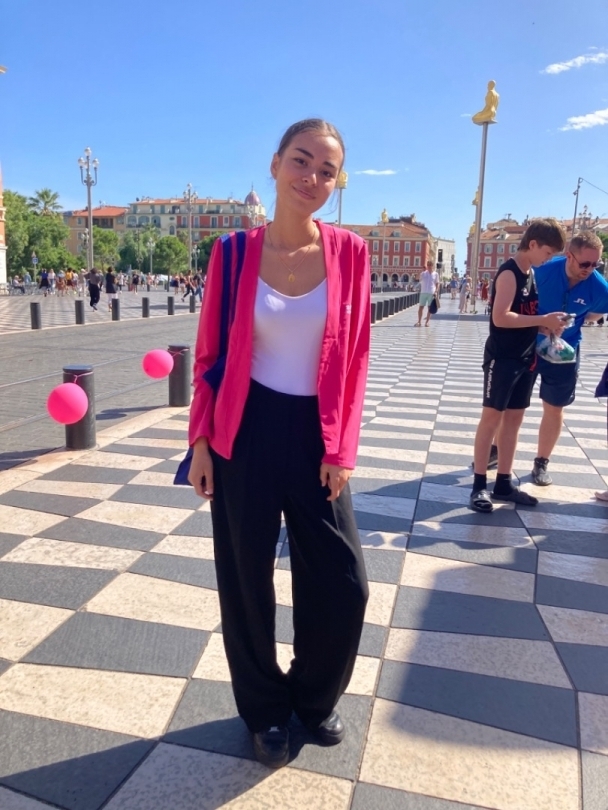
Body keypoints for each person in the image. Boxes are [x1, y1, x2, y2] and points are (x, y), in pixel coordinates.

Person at [187, 118, 370, 770]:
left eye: (327, 170)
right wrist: (201, 441)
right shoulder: (233, 252)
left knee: (343, 581)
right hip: (245, 428)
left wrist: (342, 449)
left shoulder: (350, 252)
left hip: (318, 431)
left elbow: (355, 356)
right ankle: (264, 710)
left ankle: (313, 697)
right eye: (301, 160)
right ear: (275, 164)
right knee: (245, 576)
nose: (312, 177)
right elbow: (210, 353)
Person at [469, 218, 567, 513]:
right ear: (533, 244)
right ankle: (479, 485)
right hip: (502, 359)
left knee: (513, 421)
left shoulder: (530, 273)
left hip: (525, 357)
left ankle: (503, 483)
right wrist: (541, 319)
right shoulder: (509, 273)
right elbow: (500, 317)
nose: (549, 259)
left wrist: (546, 326)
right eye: (548, 253)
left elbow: (522, 317)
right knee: (491, 419)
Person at [531, 231, 608, 486]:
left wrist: (574, 321)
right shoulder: (543, 270)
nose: (590, 269)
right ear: (569, 256)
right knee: (513, 403)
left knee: (554, 407)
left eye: (595, 264)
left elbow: (595, 315)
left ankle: (541, 462)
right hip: (529, 345)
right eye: (585, 263)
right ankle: (498, 449)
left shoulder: (599, 287)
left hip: (565, 351)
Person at [416, 260, 439, 326]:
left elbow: (437, 283)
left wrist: (436, 291)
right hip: (423, 292)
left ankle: (427, 322)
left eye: (430, 265)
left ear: (433, 266)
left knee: (429, 308)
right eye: (428, 265)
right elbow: (417, 278)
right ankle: (419, 322)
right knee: (421, 307)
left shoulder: (436, 274)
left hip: (431, 292)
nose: (429, 266)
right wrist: (420, 271)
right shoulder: (423, 273)